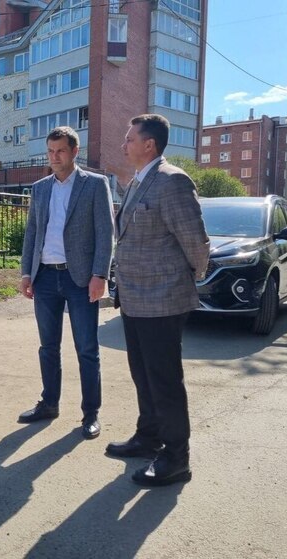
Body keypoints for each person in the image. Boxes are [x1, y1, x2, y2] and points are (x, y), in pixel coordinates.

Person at [107, 114, 209, 486]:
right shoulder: (138, 181)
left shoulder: (172, 181)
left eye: (129, 139)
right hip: (135, 298)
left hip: (163, 299)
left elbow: (195, 242)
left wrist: (181, 280)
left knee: (164, 380)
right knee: (143, 374)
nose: (124, 145)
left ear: (149, 144)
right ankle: (148, 436)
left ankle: (177, 458)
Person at [18, 126, 114, 440]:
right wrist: (26, 273)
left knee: (87, 348)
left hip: (80, 278)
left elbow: (105, 232)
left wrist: (100, 274)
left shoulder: (95, 184)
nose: (54, 157)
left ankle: (91, 413)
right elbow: (32, 233)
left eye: (60, 150)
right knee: (48, 346)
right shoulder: (40, 188)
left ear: (74, 151)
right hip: (45, 276)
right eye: (50, 151)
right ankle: (49, 403)